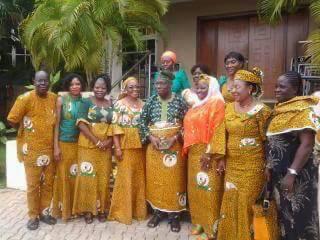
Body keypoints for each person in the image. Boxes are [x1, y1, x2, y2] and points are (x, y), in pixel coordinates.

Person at [217, 68, 272, 240]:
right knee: (231, 201)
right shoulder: (228, 108)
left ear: (250, 89)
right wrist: (221, 158)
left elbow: (268, 141)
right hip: (232, 166)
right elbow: (220, 134)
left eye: (237, 87)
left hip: (253, 167)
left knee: (247, 203)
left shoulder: (263, 111)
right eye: (232, 87)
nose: (233, 90)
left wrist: (268, 165)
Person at [266, 71, 319, 239]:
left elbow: (307, 143)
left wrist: (292, 173)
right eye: (276, 86)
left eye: (282, 86)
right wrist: (269, 166)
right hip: (280, 174)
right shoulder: (279, 110)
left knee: (301, 215)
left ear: (295, 89)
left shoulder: (303, 110)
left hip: (298, 175)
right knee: (285, 215)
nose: (277, 90)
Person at [7, 71, 57, 230]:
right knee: (33, 185)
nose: (43, 84)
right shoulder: (25, 99)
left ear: (49, 82)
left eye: (46, 81)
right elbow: (12, 119)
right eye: (39, 81)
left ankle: (44, 212)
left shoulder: (53, 98)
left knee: (48, 183)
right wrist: (25, 130)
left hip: (49, 150)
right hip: (32, 150)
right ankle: (33, 216)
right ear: (34, 81)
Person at [139, 70, 188, 232]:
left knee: (174, 180)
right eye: (156, 84)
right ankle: (158, 213)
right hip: (154, 149)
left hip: (174, 148)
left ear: (170, 85)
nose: (158, 86)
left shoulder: (180, 101)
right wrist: (150, 138)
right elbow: (141, 122)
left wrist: (174, 138)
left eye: (162, 84)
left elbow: (187, 124)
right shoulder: (151, 101)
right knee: (156, 180)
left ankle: (175, 216)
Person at [183, 74, 225, 240]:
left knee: (209, 189)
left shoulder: (217, 102)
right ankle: (199, 223)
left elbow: (218, 129)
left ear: (212, 88)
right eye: (197, 88)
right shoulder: (197, 105)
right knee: (196, 191)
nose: (200, 91)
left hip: (209, 153)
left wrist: (209, 152)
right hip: (194, 154)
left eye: (203, 88)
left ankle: (211, 229)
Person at [72, 75, 114, 223]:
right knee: (87, 177)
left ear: (107, 88)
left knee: (103, 177)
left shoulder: (111, 103)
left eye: (102, 87)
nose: (99, 90)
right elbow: (81, 124)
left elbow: (114, 125)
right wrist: (97, 141)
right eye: (96, 87)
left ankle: (102, 209)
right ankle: (88, 210)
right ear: (92, 87)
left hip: (106, 147)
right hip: (88, 145)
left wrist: (109, 141)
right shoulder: (85, 102)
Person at [108, 77, 147, 224]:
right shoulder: (119, 104)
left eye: (137, 87)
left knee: (138, 179)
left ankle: (138, 211)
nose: (135, 89)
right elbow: (115, 126)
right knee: (125, 179)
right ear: (125, 88)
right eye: (131, 87)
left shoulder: (143, 104)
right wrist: (117, 148)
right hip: (124, 146)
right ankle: (122, 212)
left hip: (140, 147)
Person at [52, 73, 86, 221]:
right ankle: (63, 210)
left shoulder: (85, 102)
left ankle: (76, 209)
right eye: (72, 84)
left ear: (82, 86)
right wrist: (56, 147)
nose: (75, 87)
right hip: (64, 144)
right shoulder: (61, 100)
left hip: (79, 145)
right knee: (64, 178)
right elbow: (56, 124)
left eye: (77, 84)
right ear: (68, 86)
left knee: (76, 177)